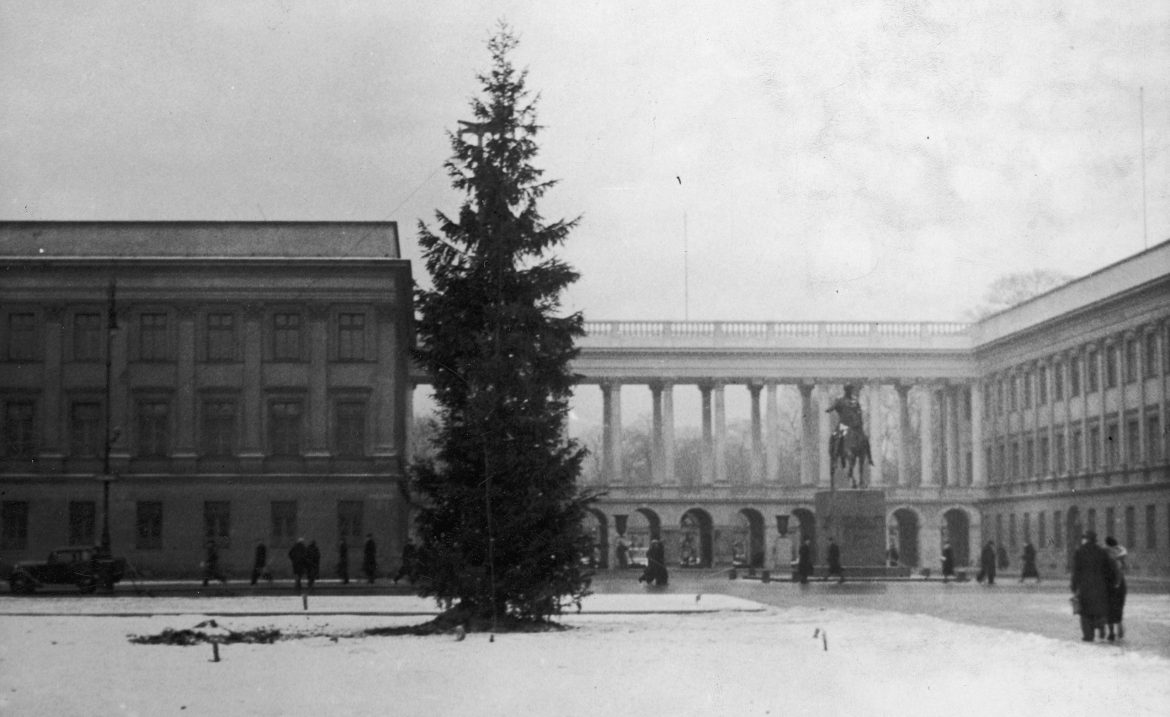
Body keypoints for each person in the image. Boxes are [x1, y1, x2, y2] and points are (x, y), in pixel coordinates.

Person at [1070, 531, 1117, 642]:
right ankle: (1100, 625)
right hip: (1100, 587)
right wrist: (1112, 583)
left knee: (1085, 612)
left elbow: (1076, 571)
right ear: (1095, 540)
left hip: (1085, 587)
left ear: (1086, 539)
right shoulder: (1101, 552)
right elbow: (1109, 570)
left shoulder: (1080, 552)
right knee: (1099, 610)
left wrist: (1074, 585)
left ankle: (1088, 635)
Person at [825, 384, 873, 468]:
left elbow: (859, 412)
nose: (850, 391)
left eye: (850, 389)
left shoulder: (854, 401)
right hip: (843, 425)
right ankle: (835, 459)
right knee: (836, 438)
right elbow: (833, 406)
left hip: (854, 425)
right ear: (845, 390)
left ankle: (869, 458)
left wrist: (859, 421)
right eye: (848, 389)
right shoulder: (840, 400)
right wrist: (829, 409)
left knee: (865, 439)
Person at [1104, 536, 1128, 641]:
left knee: (1109, 609)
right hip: (1120, 584)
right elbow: (1124, 568)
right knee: (1119, 606)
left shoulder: (1105, 554)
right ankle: (1120, 625)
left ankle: (1111, 632)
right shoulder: (1121, 554)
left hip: (1108, 584)